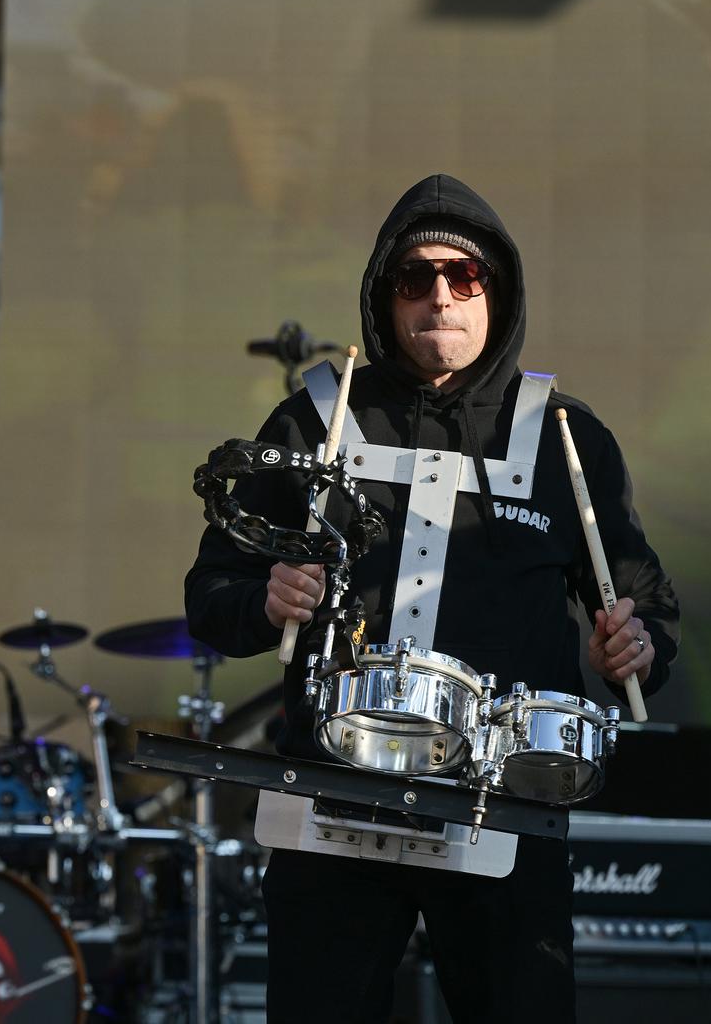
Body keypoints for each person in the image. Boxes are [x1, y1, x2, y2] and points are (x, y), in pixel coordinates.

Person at [185, 173, 678, 1021]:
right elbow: (210, 594)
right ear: (385, 295)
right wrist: (265, 600)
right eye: (414, 279)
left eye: (464, 277)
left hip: (502, 805)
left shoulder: (565, 436)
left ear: (497, 292)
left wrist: (636, 647)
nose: (439, 297)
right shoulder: (314, 419)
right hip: (331, 795)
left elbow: (639, 603)